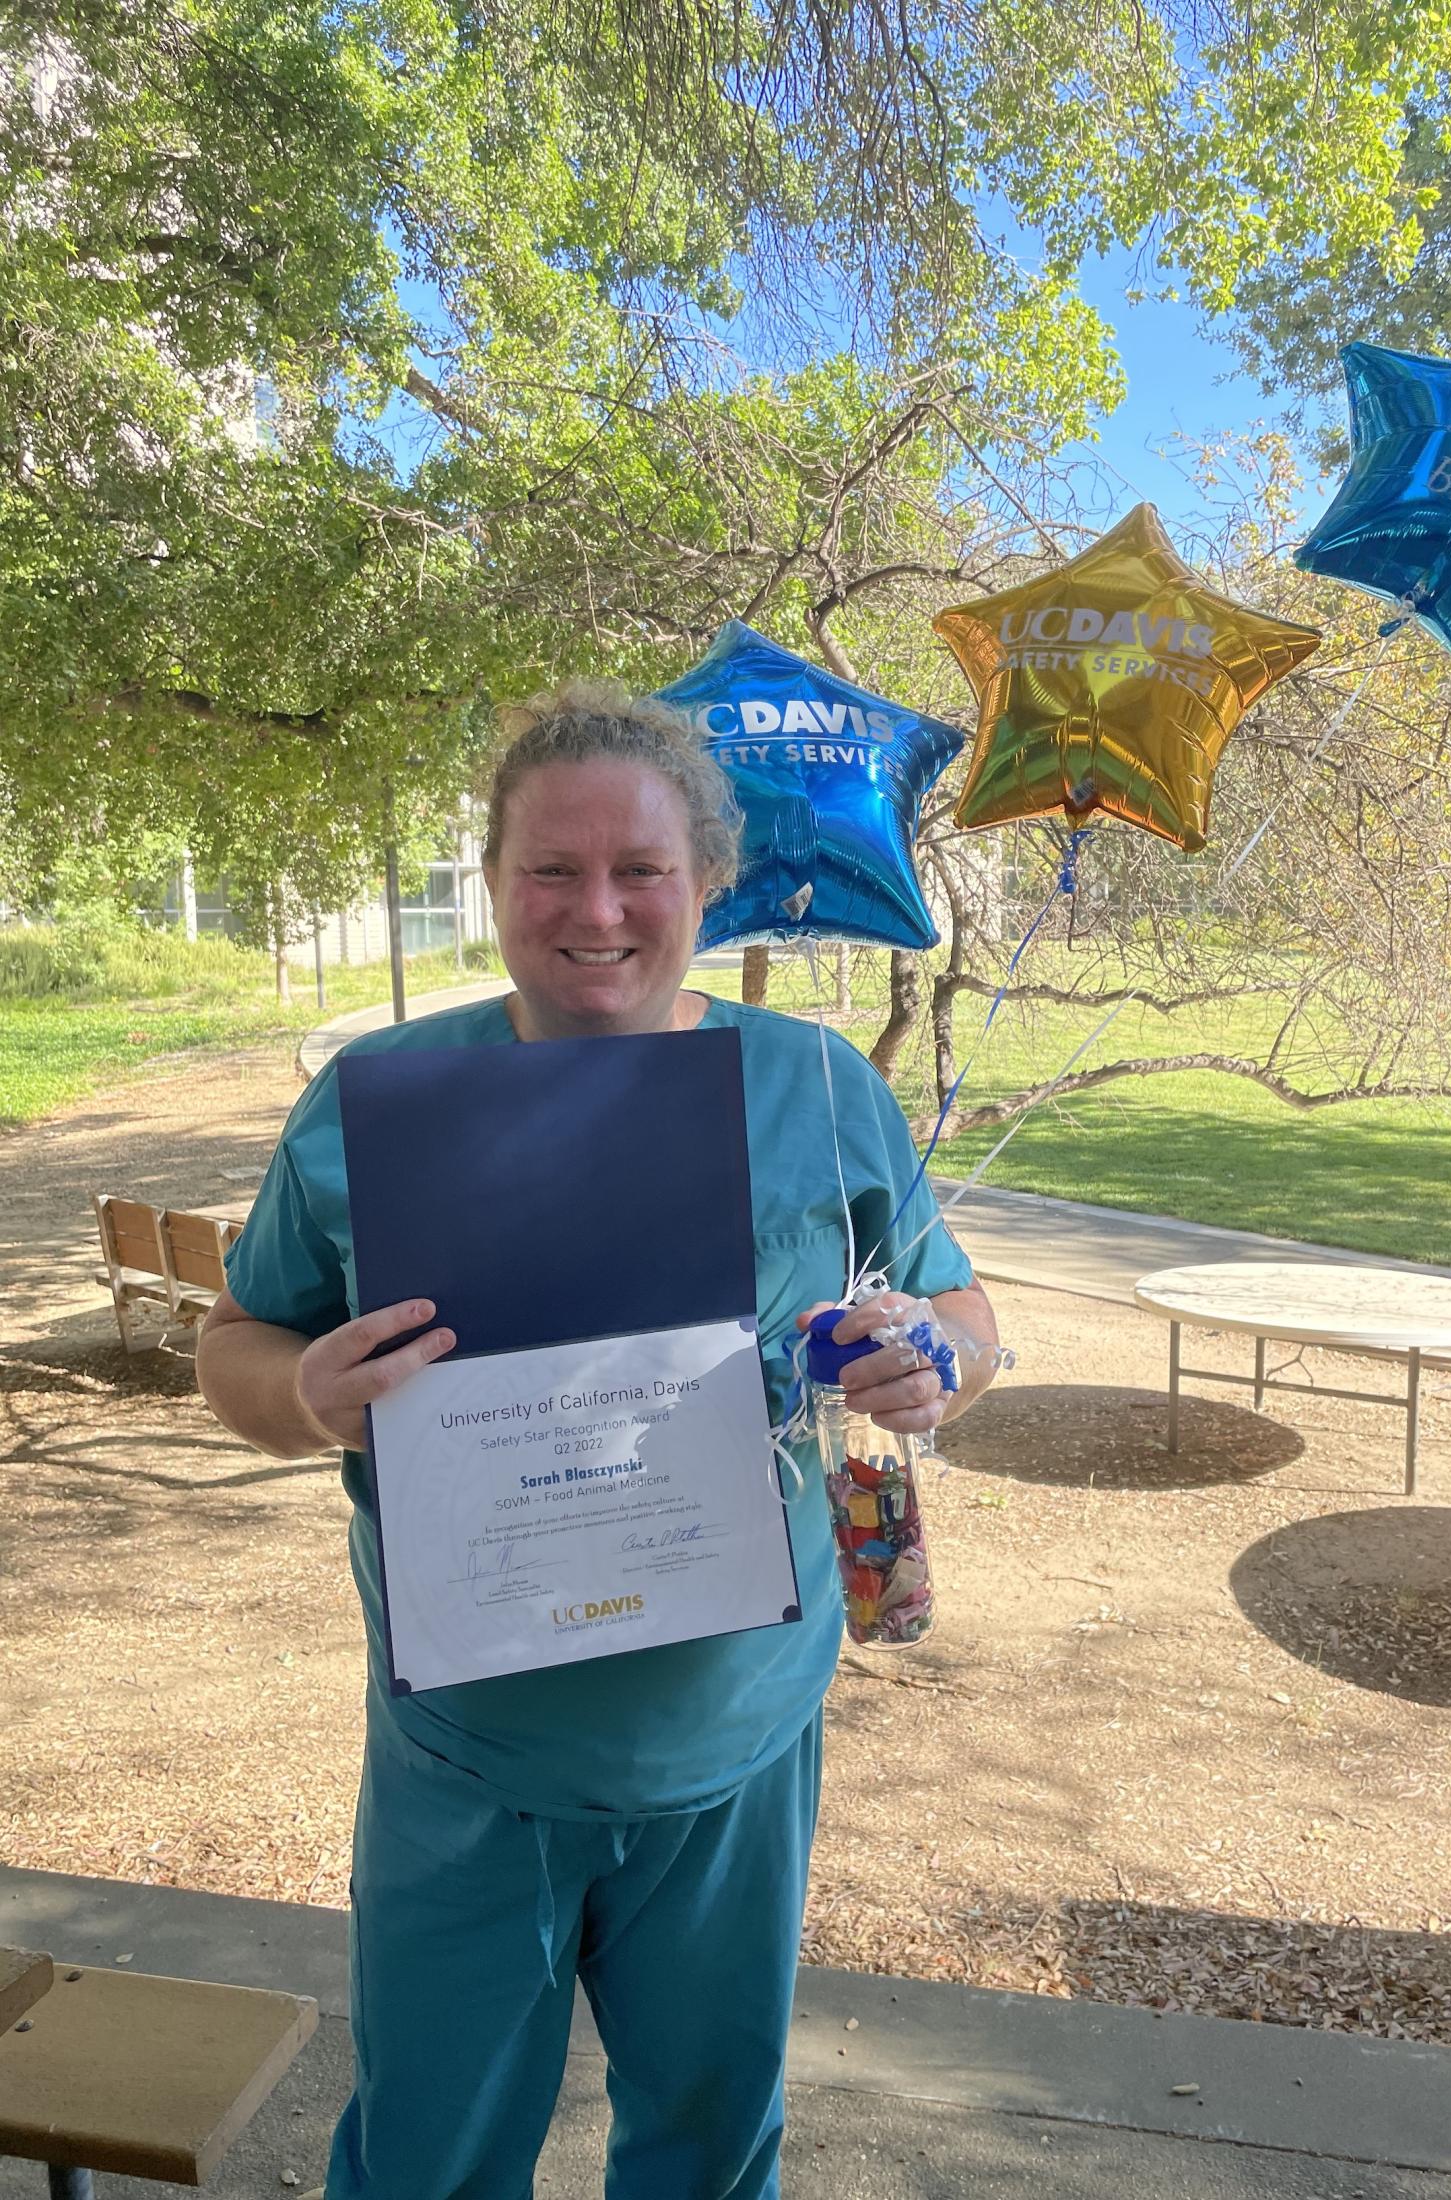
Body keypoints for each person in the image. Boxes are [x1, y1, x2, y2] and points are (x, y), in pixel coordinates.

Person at [196, 679, 999, 2200]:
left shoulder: (816, 1086)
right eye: (550, 871)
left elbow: (957, 1304)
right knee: (427, 2160)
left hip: (734, 1744)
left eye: (641, 871)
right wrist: (304, 1397)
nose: (597, 912)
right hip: (469, 1756)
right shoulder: (375, 1105)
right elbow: (233, 1346)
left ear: (705, 880)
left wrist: (934, 1362)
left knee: (706, 2153)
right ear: (493, 882)